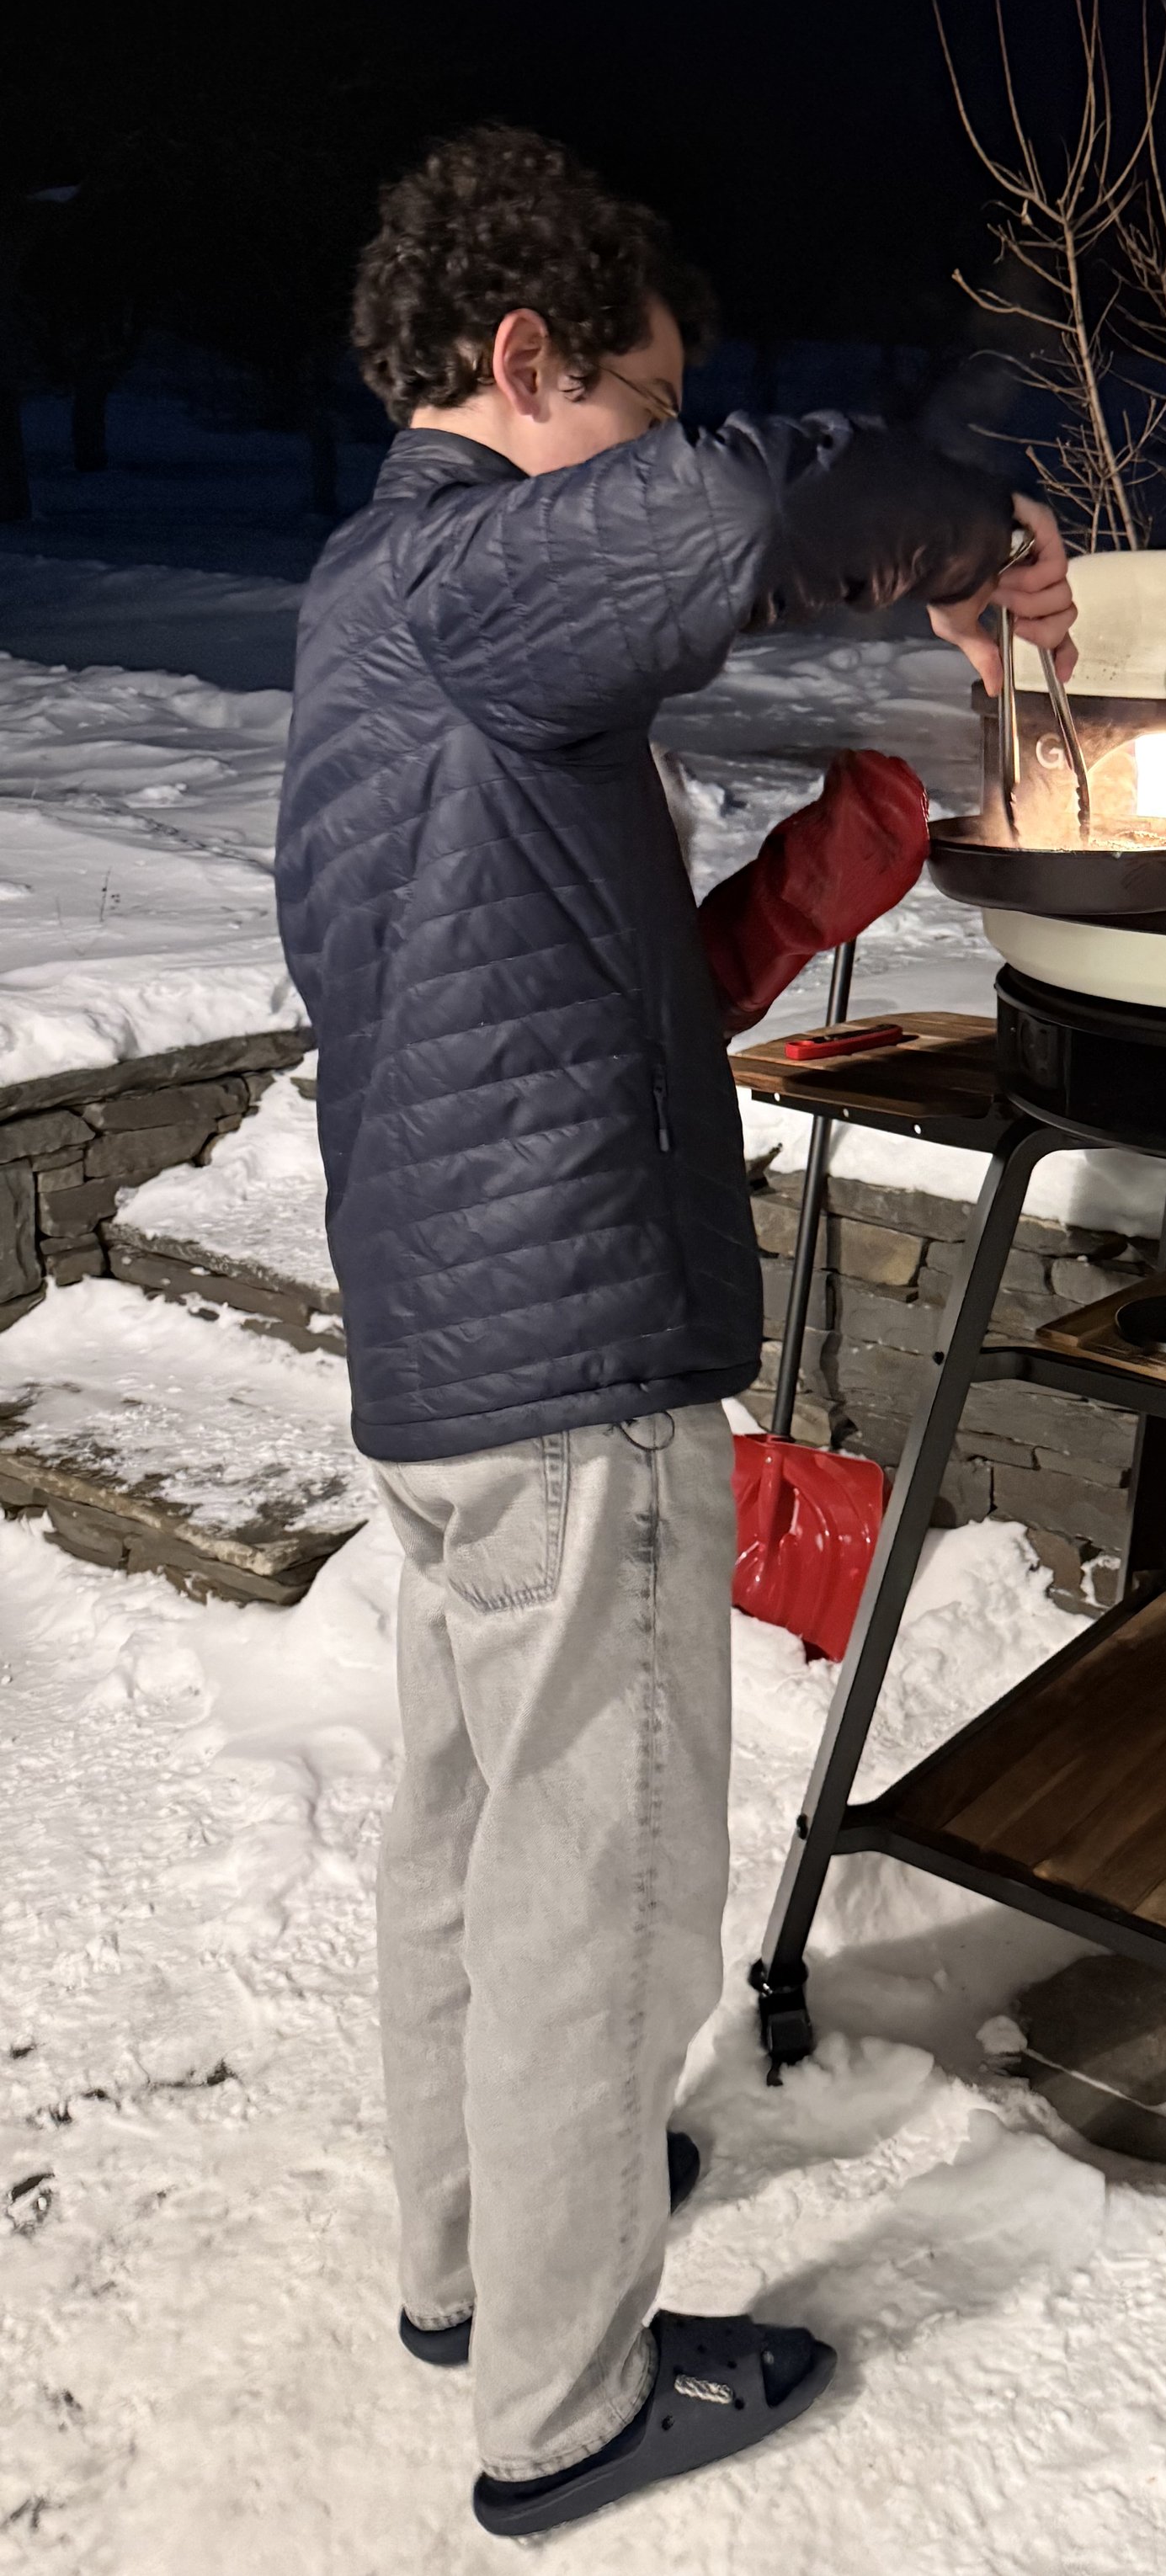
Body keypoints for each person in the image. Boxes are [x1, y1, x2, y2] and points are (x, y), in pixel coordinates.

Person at [274, 125, 1074, 2539]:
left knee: (470, 1840)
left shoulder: (380, 613)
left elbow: (557, 1009)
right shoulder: (469, 578)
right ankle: (568, 2407)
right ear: (522, 365)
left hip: (453, 1353)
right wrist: (985, 545)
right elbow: (747, 506)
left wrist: (799, 893)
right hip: (574, 1362)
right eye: (626, 401)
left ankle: (475, 2272)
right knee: (596, 1895)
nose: (644, 453)